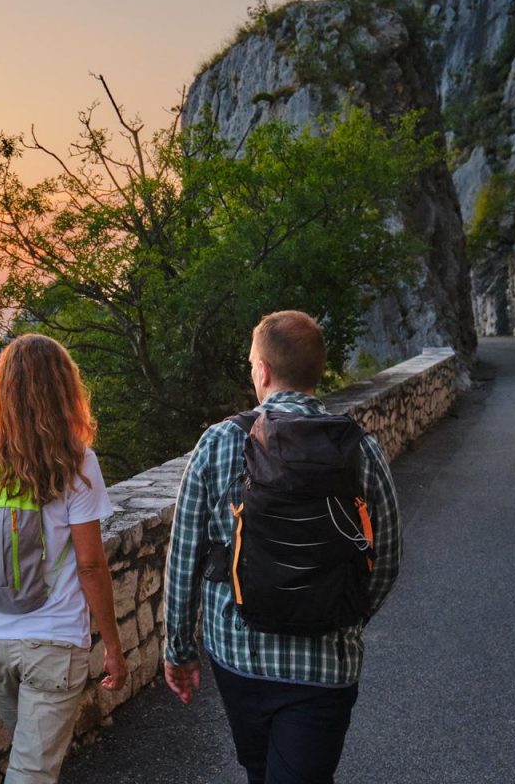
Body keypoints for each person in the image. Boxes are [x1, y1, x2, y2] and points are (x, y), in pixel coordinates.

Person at [163, 310, 402, 784]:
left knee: (260, 770)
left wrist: (179, 648)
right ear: (317, 371)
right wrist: (343, 614)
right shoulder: (359, 448)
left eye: (253, 362)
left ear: (264, 371)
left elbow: (184, 555)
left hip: (239, 656)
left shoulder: (219, 443)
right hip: (325, 665)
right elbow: (388, 556)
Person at [0, 333, 128, 784]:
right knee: (32, 771)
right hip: (54, 643)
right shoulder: (78, 460)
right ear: (66, 389)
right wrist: (113, 645)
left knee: (30, 763)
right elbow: (90, 565)